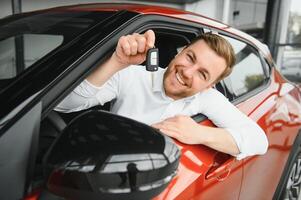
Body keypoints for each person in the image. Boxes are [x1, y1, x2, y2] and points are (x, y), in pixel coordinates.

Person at [56, 30, 268, 160]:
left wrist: (197, 133)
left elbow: (259, 141)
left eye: (202, 74)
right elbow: (64, 104)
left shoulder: (207, 98)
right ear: (180, 51)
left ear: (209, 85)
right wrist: (116, 63)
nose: (187, 71)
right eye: (190, 57)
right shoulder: (131, 74)